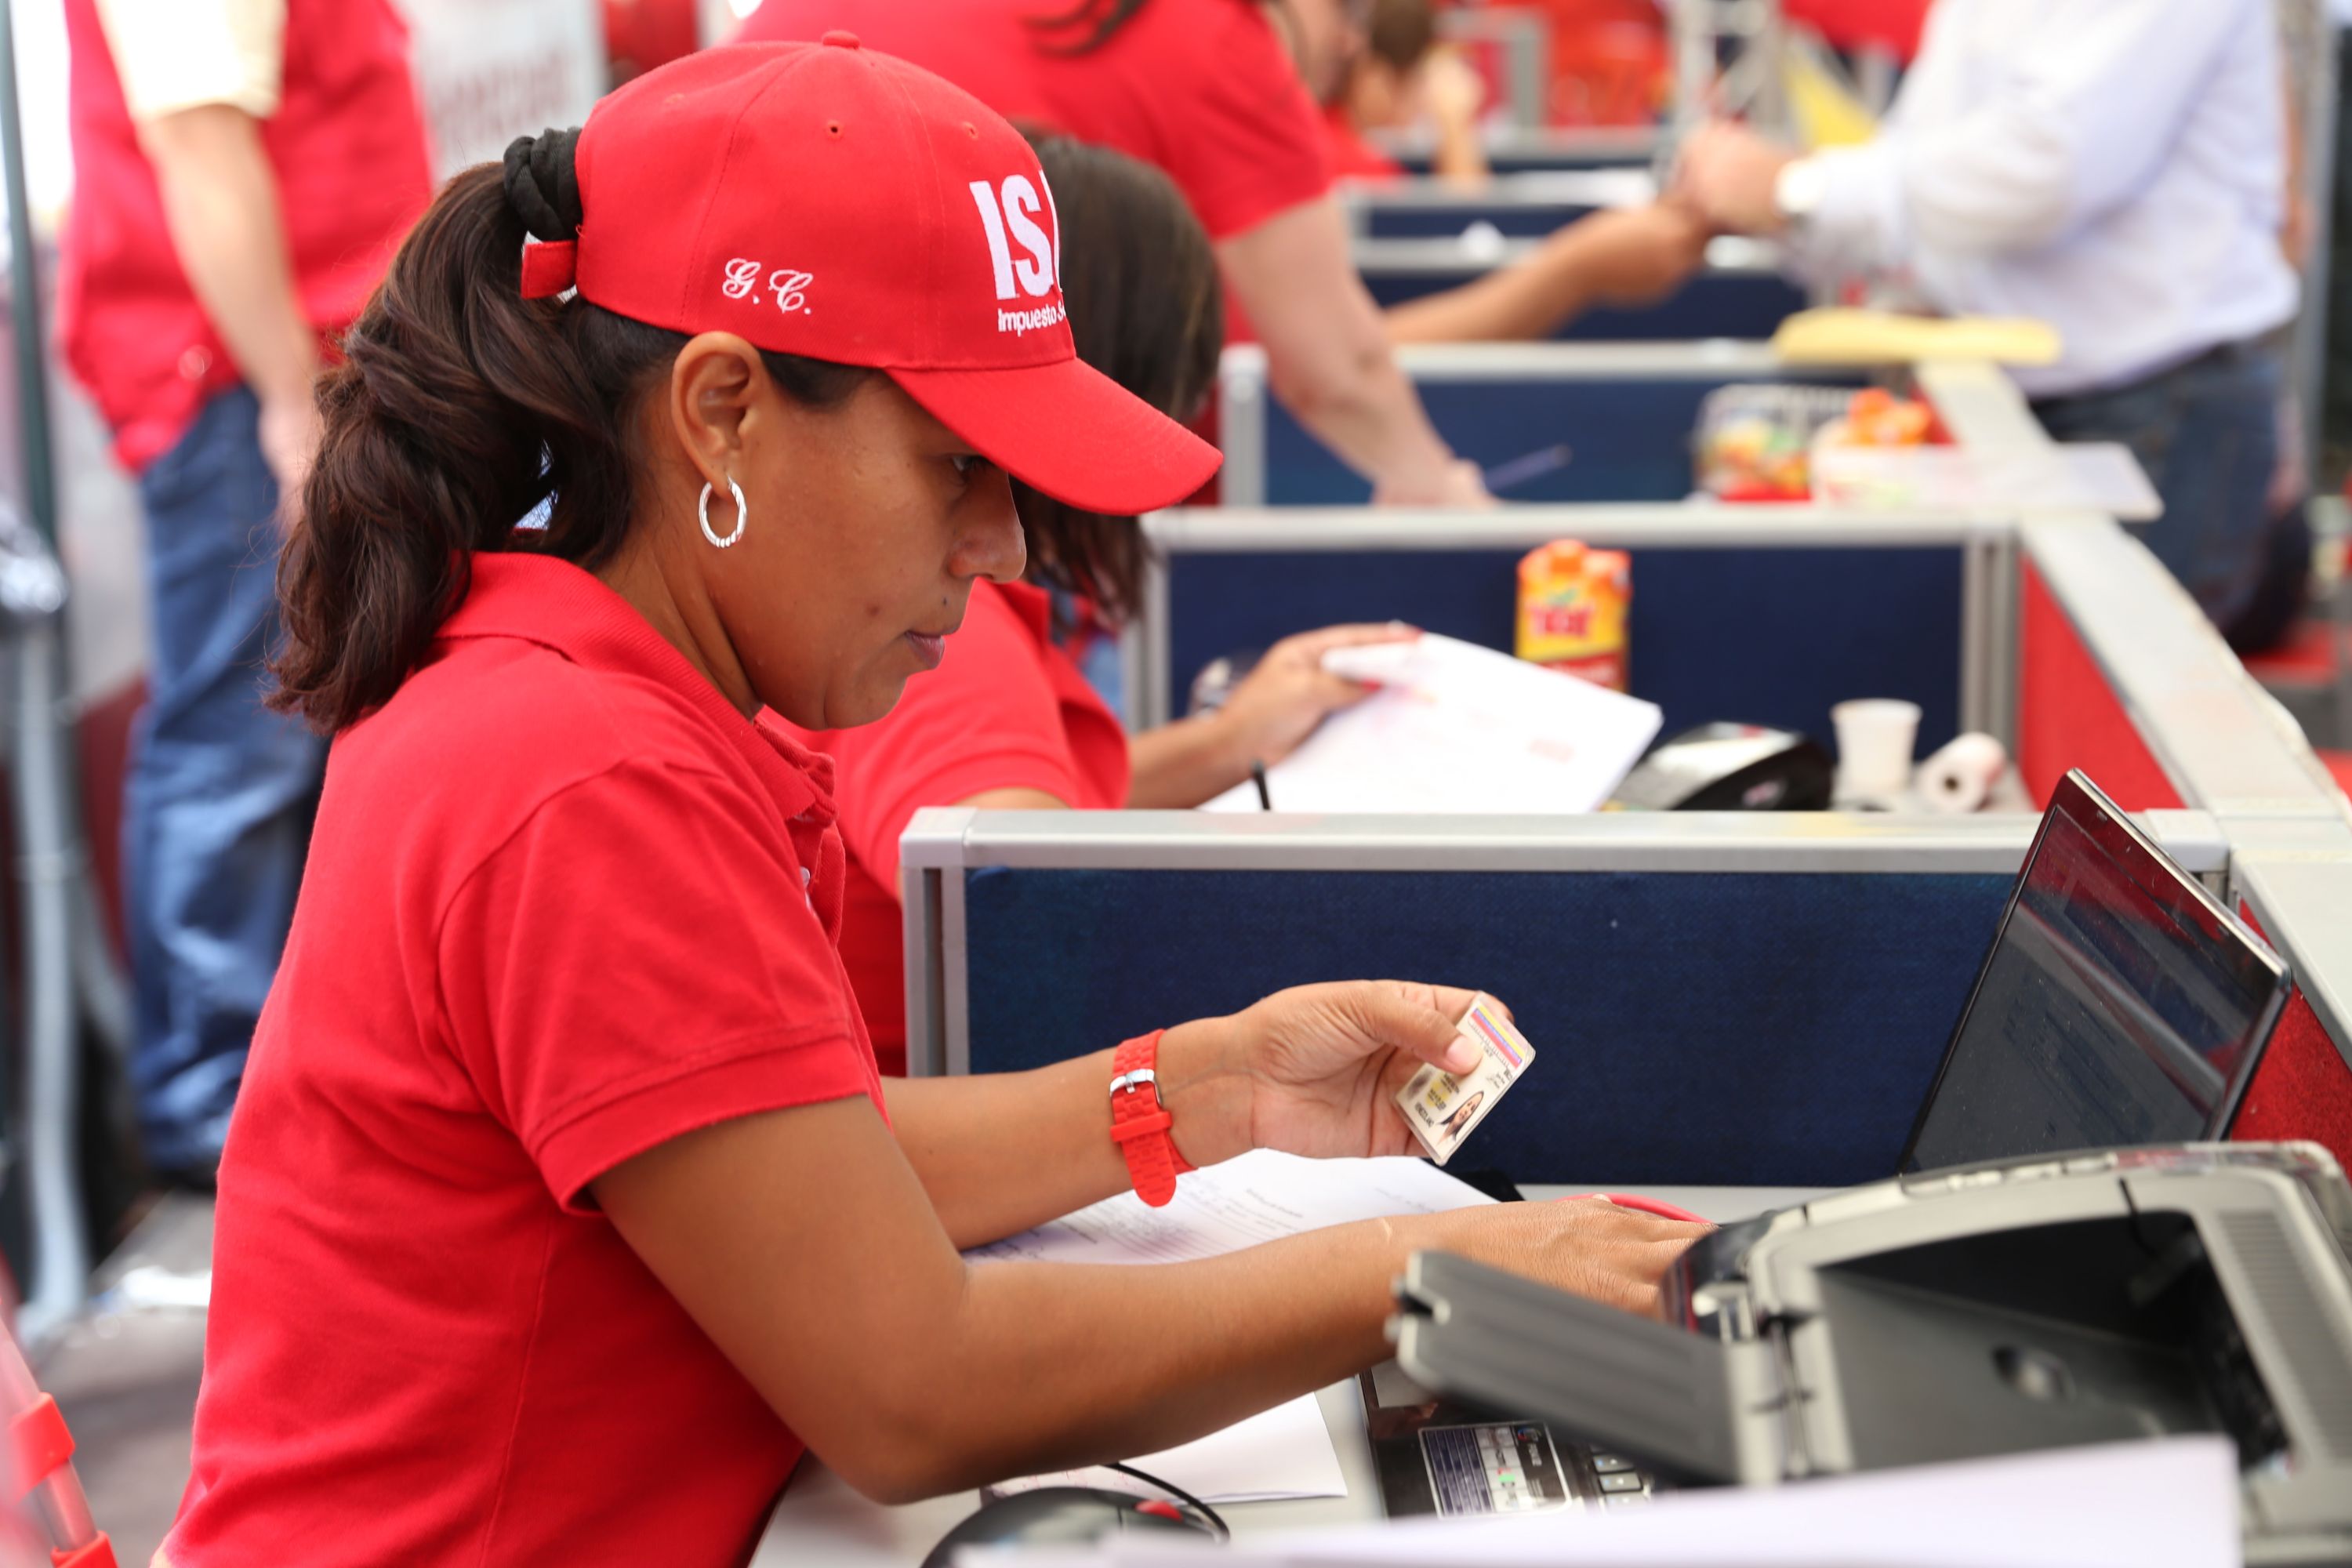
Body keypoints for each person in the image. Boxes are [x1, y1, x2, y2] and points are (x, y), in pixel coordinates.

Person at [162, 42, 1702, 1562]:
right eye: (957, 463)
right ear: (721, 411)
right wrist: (1456, 1259)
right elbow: (916, 1386)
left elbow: (790, 1152)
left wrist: (1210, 1088)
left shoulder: (578, 685)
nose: (1007, 548)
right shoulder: (576, 773)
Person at [792, 133, 1423, 1074]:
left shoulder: (928, 602)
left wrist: (1228, 742)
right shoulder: (941, 632)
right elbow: (1013, 893)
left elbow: (1028, 811)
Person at [57, 0, 434, 1182]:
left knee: (282, 723)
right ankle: (211, 1102)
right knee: (247, 732)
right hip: (245, 367)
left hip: (298, 353)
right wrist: (288, 392)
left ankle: (259, 1086)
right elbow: (200, 145)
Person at [1673, 0, 2301, 633]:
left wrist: (1799, 190)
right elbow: (1933, 149)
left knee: (2110, 699)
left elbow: (2047, 170)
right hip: (2035, 395)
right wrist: (1779, 203)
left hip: (2156, 406)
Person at [737, 0, 1494, 503]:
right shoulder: (1209, 31)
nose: (1353, 38)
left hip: (747, 464)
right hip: (952, 490)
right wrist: (1447, 500)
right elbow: (1336, 369)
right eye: (1349, 6)